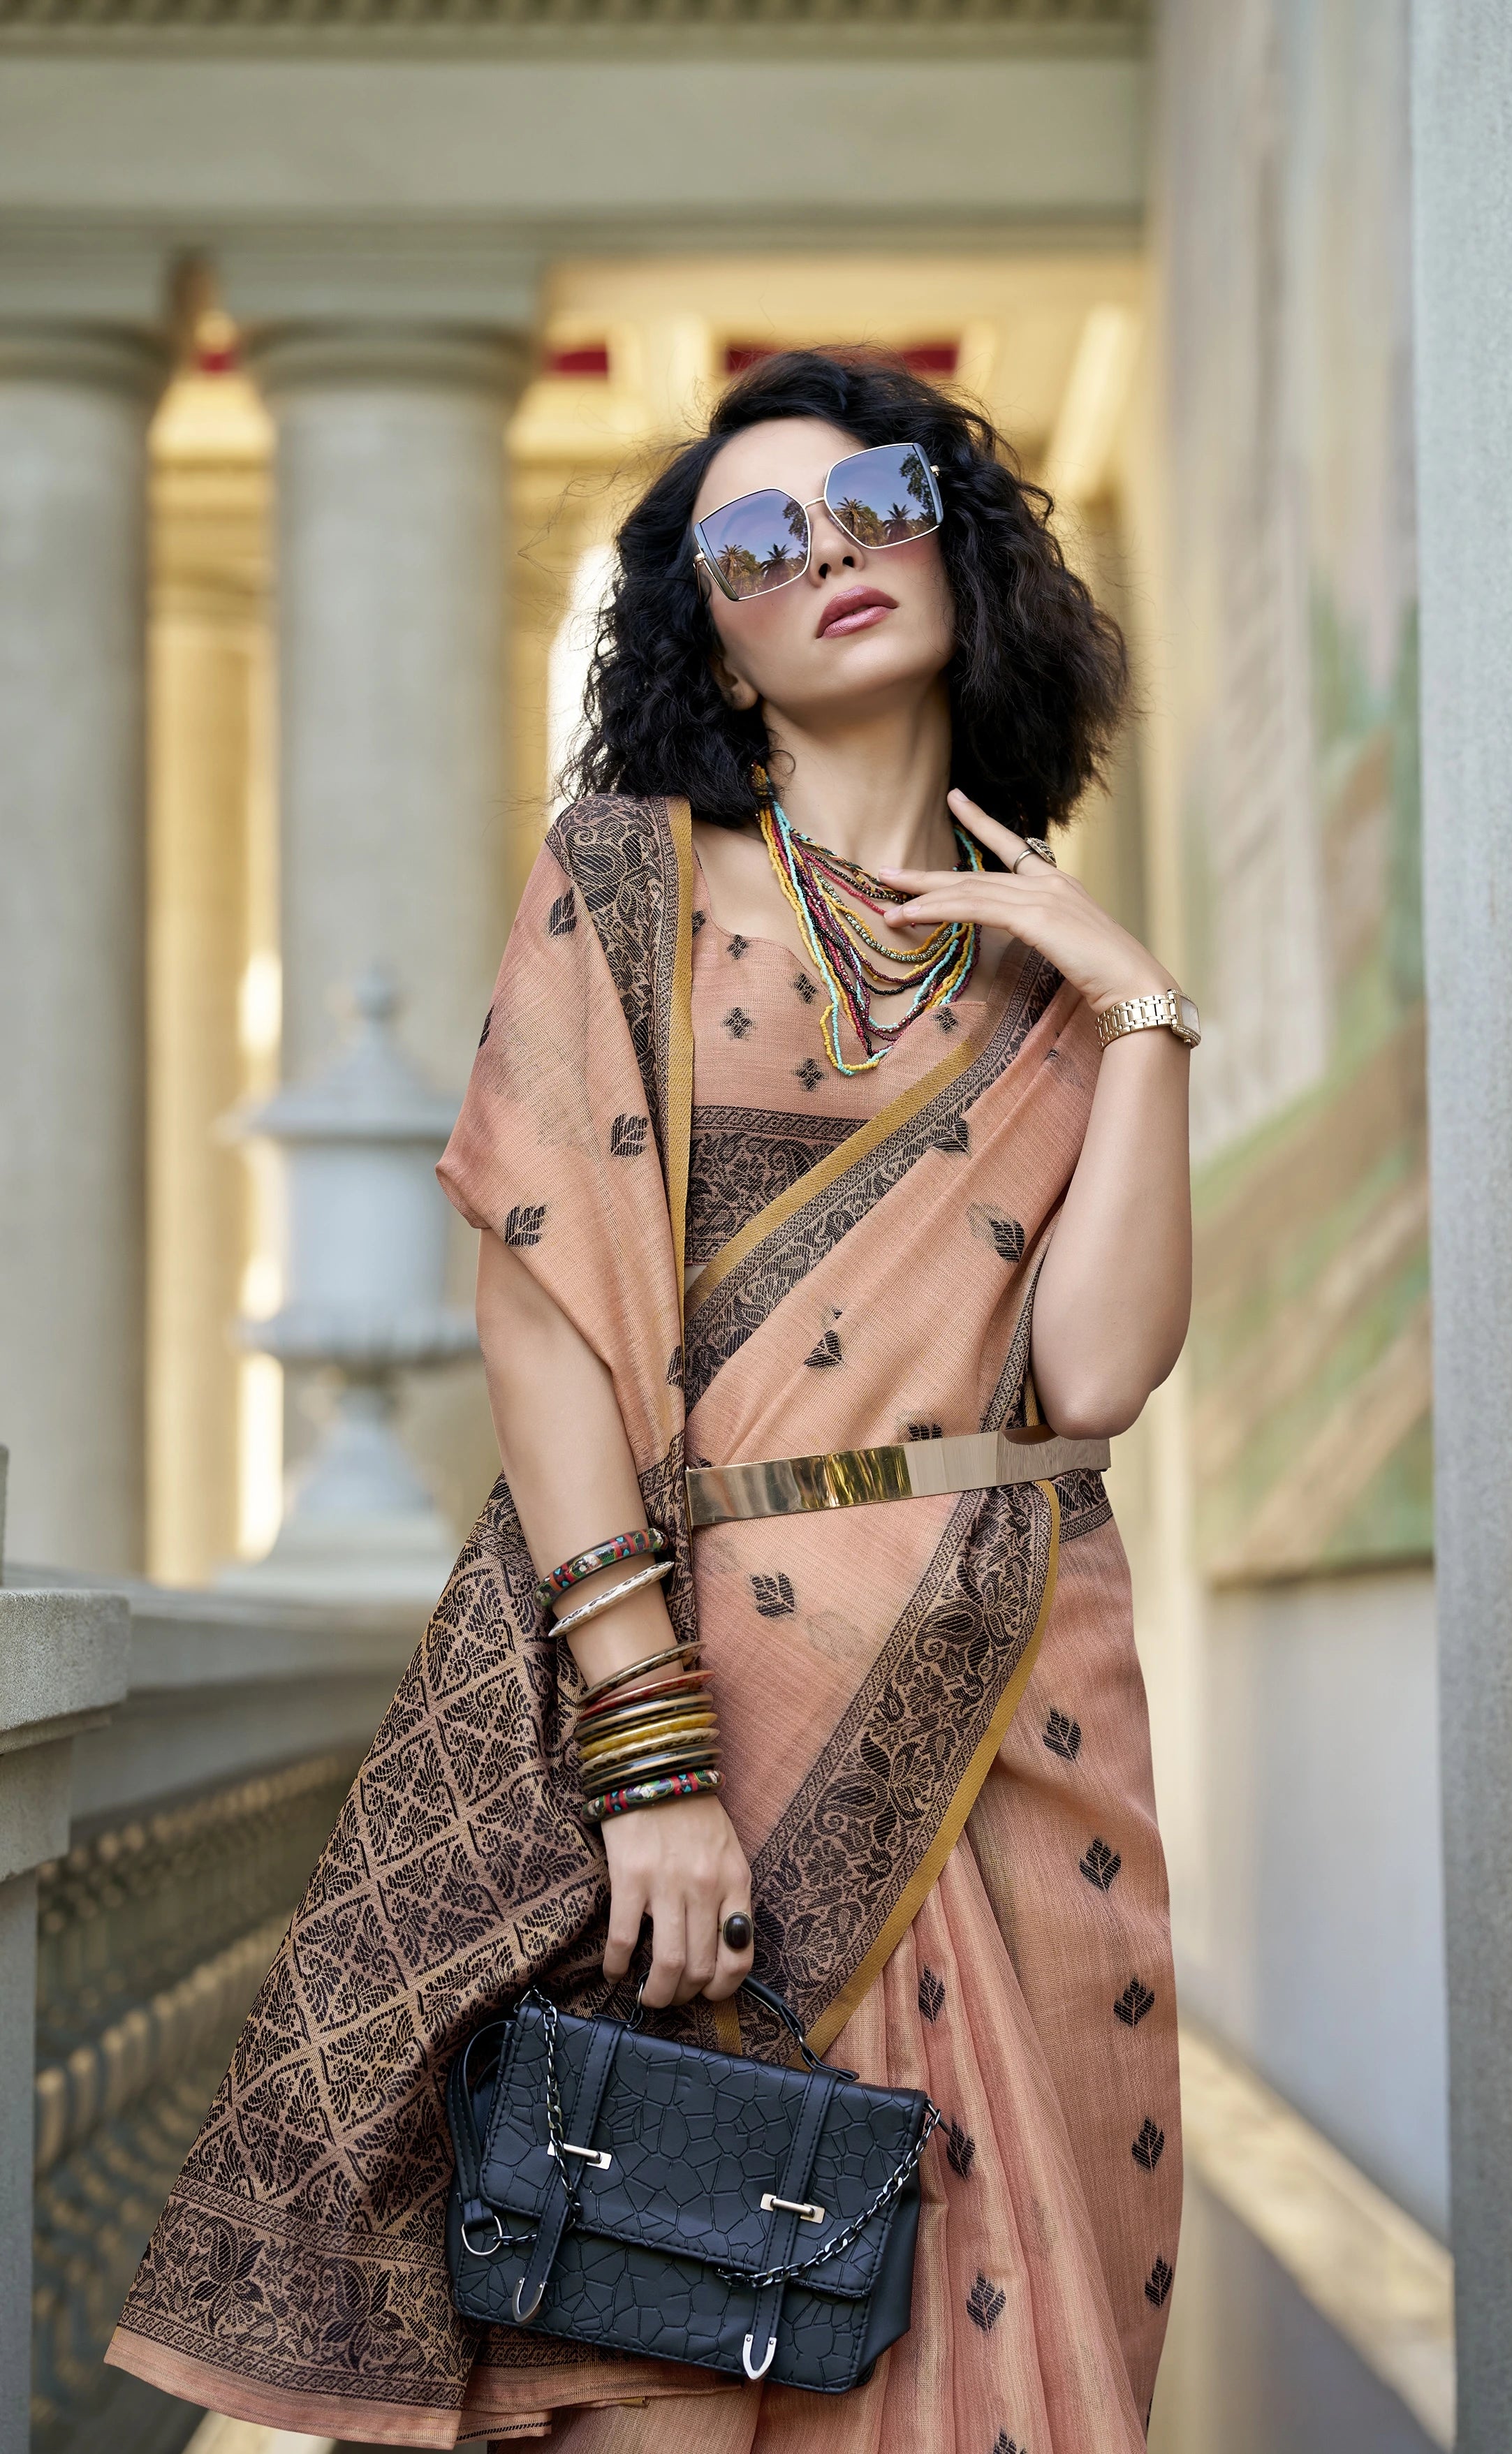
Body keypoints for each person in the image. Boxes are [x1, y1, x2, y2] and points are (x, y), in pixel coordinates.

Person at [109, 347, 1191, 2451]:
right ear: (717, 636)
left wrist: (1137, 1004)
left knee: (999, 2309)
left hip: (1001, 1696)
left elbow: (1096, 1372)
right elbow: (548, 1333)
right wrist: (653, 1758)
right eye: (756, 542)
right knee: (666, 2320)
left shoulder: (1052, 989)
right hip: (700, 1709)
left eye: (875, 494)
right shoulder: (629, 890)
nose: (832, 551)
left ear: (952, 527)